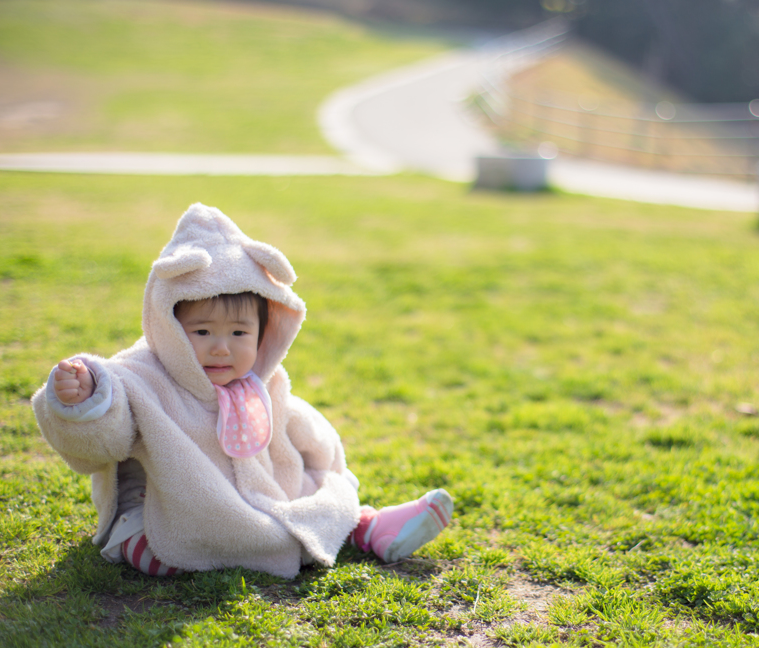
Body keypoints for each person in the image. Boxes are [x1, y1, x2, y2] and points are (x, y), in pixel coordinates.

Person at [32, 203, 453, 578]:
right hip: (172, 509)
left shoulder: (263, 381)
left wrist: (329, 467)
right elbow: (109, 429)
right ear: (170, 327)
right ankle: (182, 550)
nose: (221, 347)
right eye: (201, 331)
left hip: (261, 492)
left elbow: (300, 424)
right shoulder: (142, 376)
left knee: (320, 494)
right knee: (149, 540)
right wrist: (85, 400)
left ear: (263, 333)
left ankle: (370, 525)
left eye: (239, 332)